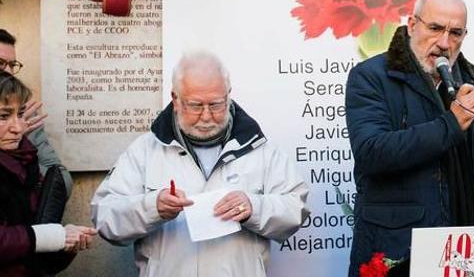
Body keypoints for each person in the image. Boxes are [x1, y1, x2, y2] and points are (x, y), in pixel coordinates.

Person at [345, 0, 474, 277]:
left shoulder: (473, 80)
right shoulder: (372, 76)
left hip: (469, 248)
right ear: (412, 25)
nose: (444, 43)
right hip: (402, 249)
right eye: (435, 28)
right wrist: (450, 124)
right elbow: (371, 153)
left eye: (456, 33)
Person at [91, 51, 309, 276]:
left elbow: (296, 210)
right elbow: (105, 218)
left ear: (228, 96)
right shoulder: (145, 150)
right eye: (195, 105)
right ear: (175, 99)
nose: (206, 116)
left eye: (216, 104)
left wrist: (253, 208)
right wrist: (152, 207)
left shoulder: (259, 149)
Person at [0, 71, 96, 276]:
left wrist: (65, 242)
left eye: (20, 114)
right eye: (3, 116)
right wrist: (52, 236)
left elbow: (38, 259)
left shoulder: (27, 161)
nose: (17, 127)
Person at [0, 29, 72, 196]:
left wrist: (19, 145)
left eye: (12, 65)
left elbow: (62, 183)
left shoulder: (26, 114)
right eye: (0, 63)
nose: (9, 72)